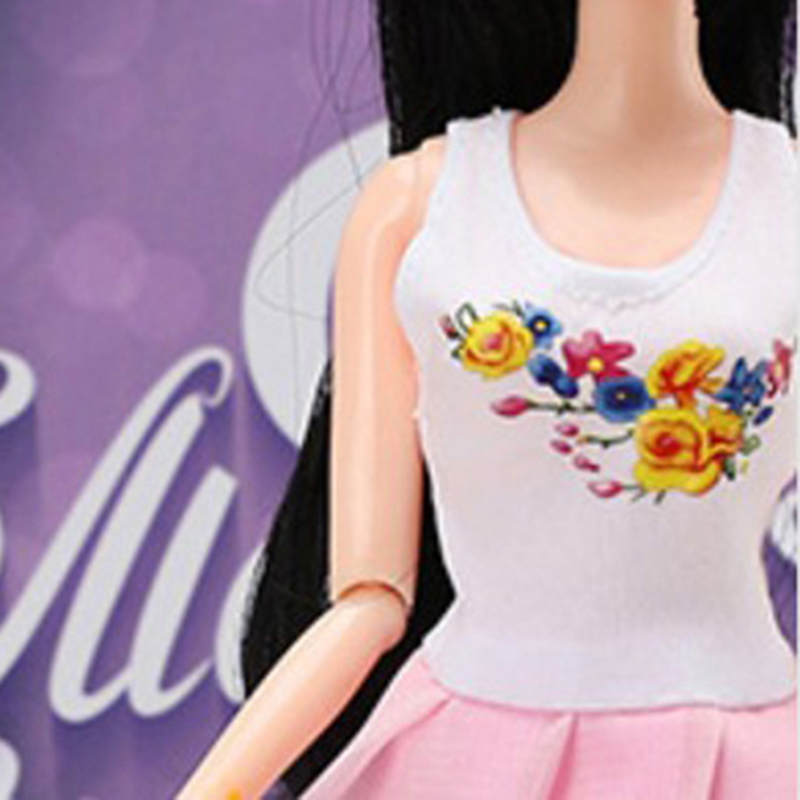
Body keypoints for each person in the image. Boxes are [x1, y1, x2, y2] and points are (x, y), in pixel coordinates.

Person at [177, 0, 798, 797]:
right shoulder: (421, 205)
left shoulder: (783, 199)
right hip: (471, 744)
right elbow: (368, 601)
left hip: (744, 747)